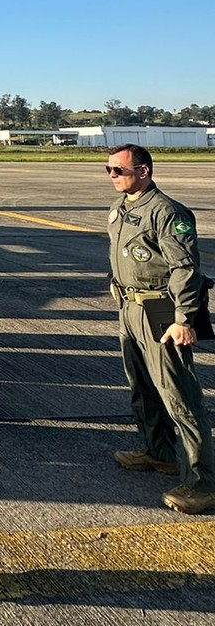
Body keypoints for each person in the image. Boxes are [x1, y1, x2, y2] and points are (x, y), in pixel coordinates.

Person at [106, 144, 215, 515]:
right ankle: (159, 452)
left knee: (179, 397)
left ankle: (204, 483)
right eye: (109, 170)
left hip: (160, 311)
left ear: (145, 171)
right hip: (130, 308)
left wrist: (185, 319)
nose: (112, 177)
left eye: (119, 170)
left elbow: (186, 269)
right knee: (143, 387)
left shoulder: (167, 212)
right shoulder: (121, 210)